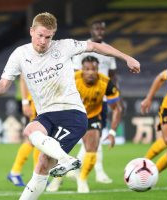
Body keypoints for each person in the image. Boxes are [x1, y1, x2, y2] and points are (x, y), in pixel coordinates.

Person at [0, 12, 140, 200]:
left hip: (72, 114)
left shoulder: (64, 47)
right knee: (39, 156)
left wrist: (127, 57)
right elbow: (3, 85)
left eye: (48, 36)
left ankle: (65, 159)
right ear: (31, 31)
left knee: (37, 146)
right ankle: (65, 160)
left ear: (53, 35)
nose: (44, 41)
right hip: (46, 115)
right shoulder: (20, 54)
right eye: (40, 35)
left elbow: (95, 46)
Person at [46, 56, 122, 193]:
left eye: (94, 69)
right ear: (82, 70)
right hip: (70, 116)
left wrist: (112, 133)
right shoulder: (71, 79)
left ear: (98, 70)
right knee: (60, 149)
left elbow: (117, 108)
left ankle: (82, 179)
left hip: (92, 117)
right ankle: (57, 178)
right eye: (87, 69)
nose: (91, 72)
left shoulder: (106, 82)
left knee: (92, 149)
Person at [71, 20, 118, 184]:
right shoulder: (83, 48)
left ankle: (93, 170)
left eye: (102, 29)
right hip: (83, 99)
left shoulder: (108, 50)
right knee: (92, 137)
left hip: (103, 97)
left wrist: (116, 94)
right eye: (97, 28)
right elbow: (76, 74)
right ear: (91, 30)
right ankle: (93, 171)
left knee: (96, 136)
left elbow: (112, 75)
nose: (100, 31)